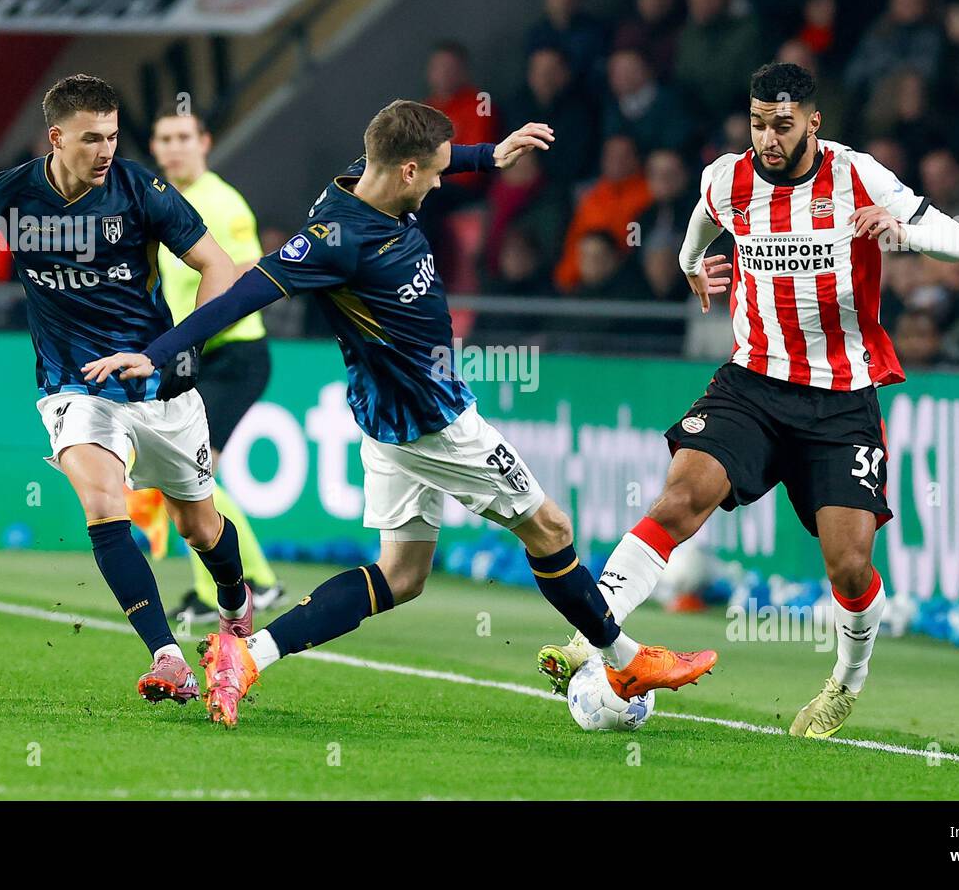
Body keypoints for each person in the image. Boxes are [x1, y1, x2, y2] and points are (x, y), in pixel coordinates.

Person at [84, 100, 728, 727]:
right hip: (436, 422)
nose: (448, 180)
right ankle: (625, 660)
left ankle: (248, 654)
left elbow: (414, 152)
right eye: (442, 170)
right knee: (552, 530)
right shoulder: (334, 240)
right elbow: (249, 290)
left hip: (388, 423)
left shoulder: (372, 178)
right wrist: (160, 352)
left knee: (402, 574)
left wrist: (487, 155)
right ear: (409, 172)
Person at [538, 62, 959, 738]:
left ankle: (844, 686)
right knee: (681, 497)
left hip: (840, 399)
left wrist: (899, 225)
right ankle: (591, 633)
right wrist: (691, 266)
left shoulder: (857, 174)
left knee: (850, 563)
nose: (768, 138)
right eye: (757, 123)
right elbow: (697, 227)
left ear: (812, 121)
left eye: (782, 124)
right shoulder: (727, 178)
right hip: (753, 385)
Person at [0, 75, 253, 704]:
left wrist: (178, 354)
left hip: (156, 385)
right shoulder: (8, 196)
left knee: (199, 528)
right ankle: (167, 657)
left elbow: (216, 266)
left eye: (114, 136)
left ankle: (234, 600)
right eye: (93, 138)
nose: (107, 149)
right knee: (102, 502)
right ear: (56, 137)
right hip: (74, 386)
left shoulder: (141, 190)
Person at [143, 110, 285, 621]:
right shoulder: (164, 199)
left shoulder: (223, 202)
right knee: (188, 471)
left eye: (184, 137)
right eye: (165, 138)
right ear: (155, 148)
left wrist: (197, 335)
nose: (175, 147)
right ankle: (248, 584)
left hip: (234, 353)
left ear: (204, 142)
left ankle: (240, 586)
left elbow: (249, 271)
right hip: (198, 354)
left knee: (192, 470)